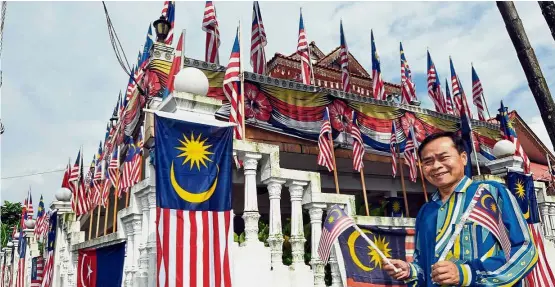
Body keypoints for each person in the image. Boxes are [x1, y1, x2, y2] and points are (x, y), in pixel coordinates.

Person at [384, 131, 537, 286]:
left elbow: (525, 250)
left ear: (463, 158)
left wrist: (467, 273)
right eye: (428, 161)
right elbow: (424, 264)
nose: (436, 166)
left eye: (443, 158)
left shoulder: (490, 192)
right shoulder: (426, 211)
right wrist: (410, 271)